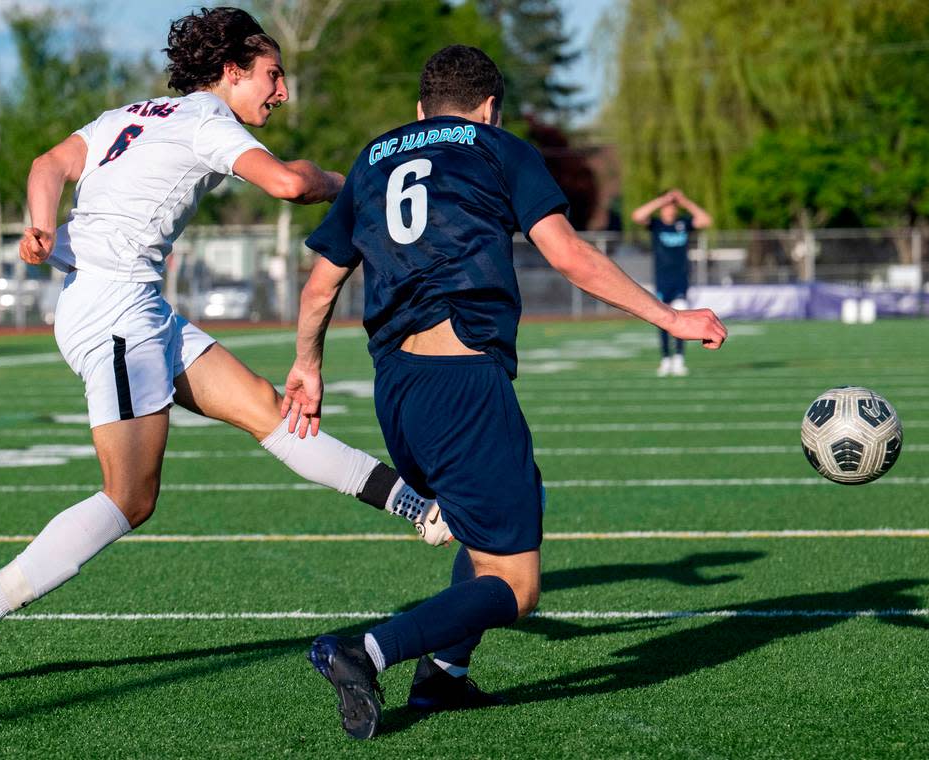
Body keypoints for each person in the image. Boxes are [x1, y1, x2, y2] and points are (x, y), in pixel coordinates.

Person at [0, 7, 451, 689]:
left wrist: (39, 224)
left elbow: (48, 164)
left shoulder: (131, 113)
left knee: (270, 410)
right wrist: (356, 183)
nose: (281, 91)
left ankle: (419, 507)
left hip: (132, 307)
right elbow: (290, 183)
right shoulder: (207, 121)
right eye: (273, 75)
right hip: (115, 313)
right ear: (231, 71)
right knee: (129, 498)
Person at [281, 45, 727, 739]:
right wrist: (672, 317)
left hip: (397, 387)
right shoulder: (497, 147)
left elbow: (319, 287)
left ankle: (443, 678)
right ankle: (364, 652)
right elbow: (569, 255)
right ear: (489, 108)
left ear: (419, 109)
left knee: (518, 499)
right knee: (516, 587)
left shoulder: (374, 157)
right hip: (462, 384)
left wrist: (307, 365)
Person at [630, 188, 713, 376]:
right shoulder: (656, 225)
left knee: (681, 317)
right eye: (667, 207)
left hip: (680, 281)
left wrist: (685, 202)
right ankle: (665, 358)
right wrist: (661, 200)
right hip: (662, 281)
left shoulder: (683, 223)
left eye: (672, 207)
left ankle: (679, 359)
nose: (670, 210)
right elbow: (637, 215)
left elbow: (706, 220)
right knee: (663, 321)